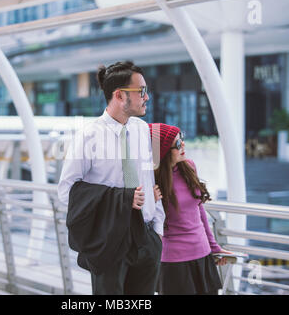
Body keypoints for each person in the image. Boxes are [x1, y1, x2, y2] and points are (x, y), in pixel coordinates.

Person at [58, 61, 165, 295]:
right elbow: (67, 192)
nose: (147, 97)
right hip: (110, 240)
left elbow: (148, 179)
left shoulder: (143, 130)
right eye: (142, 91)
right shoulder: (88, 136)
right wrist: (117, 200)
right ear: (119, 95)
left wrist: (158, 230)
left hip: (146, 238)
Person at [149, 123, 232, 295]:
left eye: (182, 140)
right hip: (173, 262)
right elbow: (145, 223)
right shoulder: (151, 182)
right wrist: (150, 201)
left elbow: (199, 210)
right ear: (163, 152)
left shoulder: (189, 166)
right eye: (177, 144)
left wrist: (214, 247)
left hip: (202, 254)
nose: (183, 145)